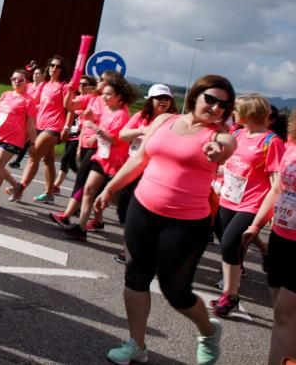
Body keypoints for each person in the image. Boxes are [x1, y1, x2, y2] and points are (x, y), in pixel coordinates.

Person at [96, 75, 237, 365]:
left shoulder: (217, 135)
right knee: (135, 276)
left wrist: (219, 150)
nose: (215, 107)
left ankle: (209, 331)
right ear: (195, 96)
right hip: (143, 209)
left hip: (186, 223)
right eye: (210, 99)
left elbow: (227, 145)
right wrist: (110, 188)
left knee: (176, 292)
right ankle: (137, 343)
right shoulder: (164, 121)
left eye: (223, 104)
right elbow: (139, 159)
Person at [209, 93, 284, 317]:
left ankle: (230, 295)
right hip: (228, 197)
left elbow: (275, 183)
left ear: (250, 112)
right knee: (227, 241)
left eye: (237, 109)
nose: (233, 113)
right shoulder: (238, 133)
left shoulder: (272, 142)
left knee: (230, 242)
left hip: (251, 204)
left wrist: (270, 212)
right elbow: (228, 162)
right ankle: (231, 289)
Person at [241, 115, 296, 365]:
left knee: (286, 312)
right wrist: (256, 225)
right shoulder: (291, 143)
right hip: (281, 237)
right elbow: (277, 189)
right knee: (282, 315)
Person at [60, 74, 133, 241]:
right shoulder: (107, 110)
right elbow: (95, 120)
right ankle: (81, 228)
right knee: (89, 190)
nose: (105, 97)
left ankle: (131, 231)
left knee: (116, 200)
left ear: (118, 97)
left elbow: (115, 139)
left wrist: (94, 127)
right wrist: (92, 118)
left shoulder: (121, 114)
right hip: (101, 156)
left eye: (109, 94)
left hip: (114, 160)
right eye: (104, 94)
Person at [111, 83, 178, 262]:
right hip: (133, 167)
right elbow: (123, 134)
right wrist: (142, 130)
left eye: (166, 98)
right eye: (159, 98)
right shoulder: (141, 116)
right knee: (124, 207)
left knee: (143, 212)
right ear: (150, 100)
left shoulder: (174, 120)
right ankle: (132, 246)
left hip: (155, 173)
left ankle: (130, 252)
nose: (163, 101)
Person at [0, 69, 36, 207]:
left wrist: (32, 142)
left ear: (26, 82)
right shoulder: (6, 94)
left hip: (14, 138)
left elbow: (31, 124)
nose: (17, 82)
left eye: (21, 80)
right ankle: (17, 187)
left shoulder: (28, 100)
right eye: (14, 79)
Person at [15, 55, 70, 204]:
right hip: (40, 125)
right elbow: (36, 104)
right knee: (49, 160)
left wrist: (66, 127)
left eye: (58, 66)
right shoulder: (44, 85)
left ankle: (19, 188)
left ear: (62, 70)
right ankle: (49, 193)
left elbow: (70, 109)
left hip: (54, 127)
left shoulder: (64, 86)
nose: (54, 68)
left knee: (33, 155)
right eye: (52, 65)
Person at [52, 75, 96, 194]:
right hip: (72, 132)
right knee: (71, 162)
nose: (81, 86)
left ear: (91, 87)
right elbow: (70, 112)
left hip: (82, 135)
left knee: (66, 158)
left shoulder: (91, 101)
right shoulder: (77, 99)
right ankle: (87, 176)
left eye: (84, 84)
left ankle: (55, 186)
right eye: (80, 84)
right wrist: (66, 128)